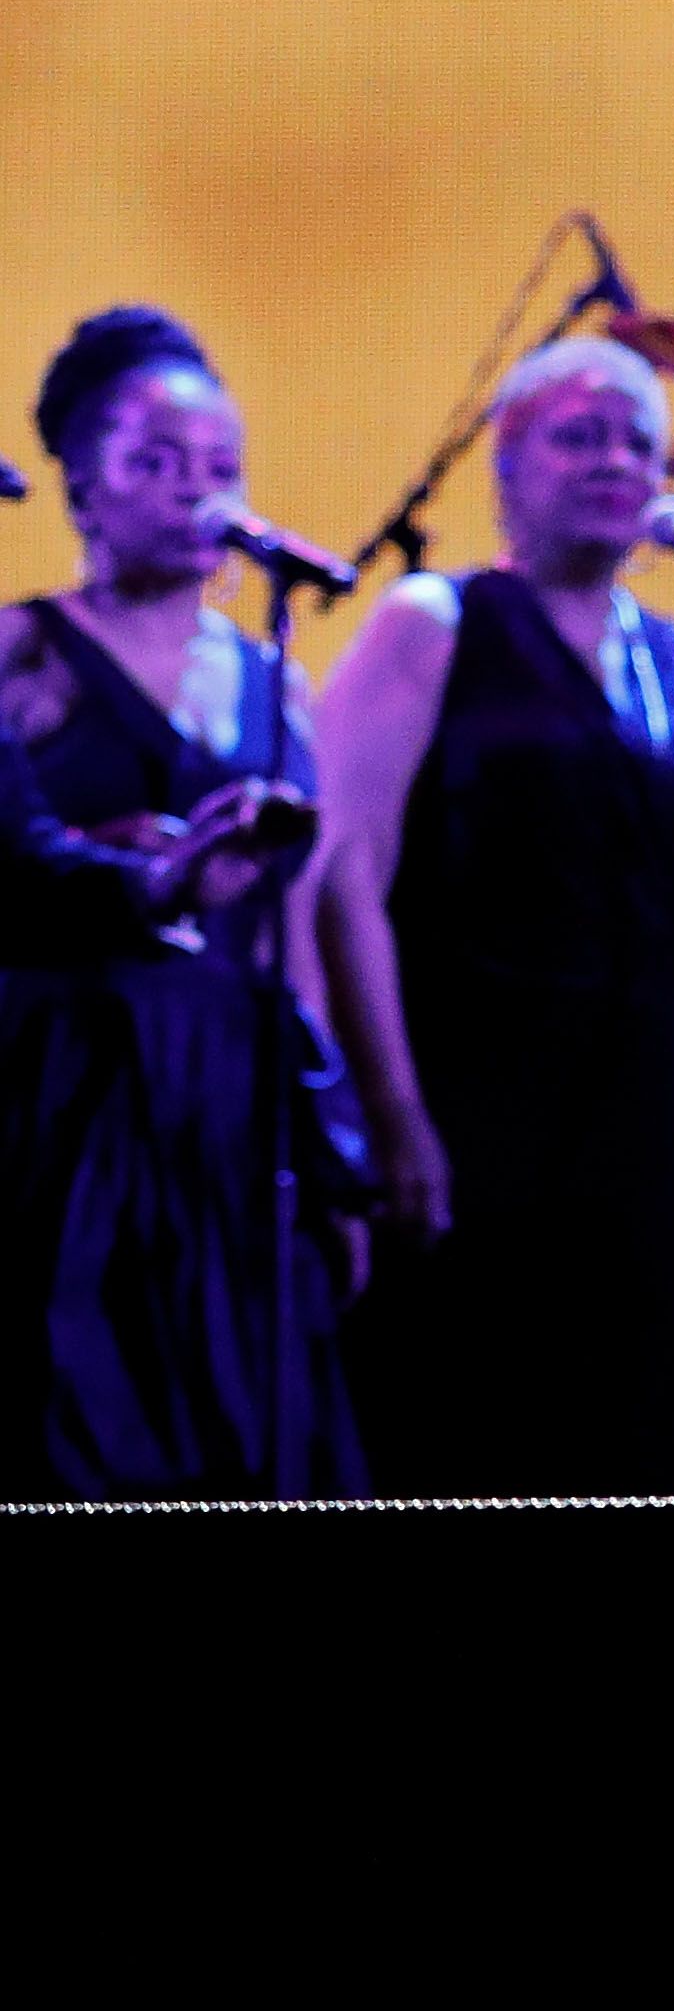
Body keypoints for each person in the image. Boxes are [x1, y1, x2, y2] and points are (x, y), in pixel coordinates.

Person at [315, 335, 674, 1493]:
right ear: (508, 465)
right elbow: (341, 874)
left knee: (639, 1446)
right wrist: (385, 1109)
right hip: (474, 1109)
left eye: (639, 441)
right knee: (467, 1432)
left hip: (654, 1139)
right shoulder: (438, 624)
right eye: (579, 435)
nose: (614, 461)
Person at [0, 308, 362, 1493]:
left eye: (221, 470)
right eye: (153, 464)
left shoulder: (270, 678)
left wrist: (339, 1134)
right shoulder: (24, 653)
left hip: (224, 1092)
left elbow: (295, 927)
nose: (192, 494)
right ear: (81, 489)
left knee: (239, 1410)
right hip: (63, 1081)